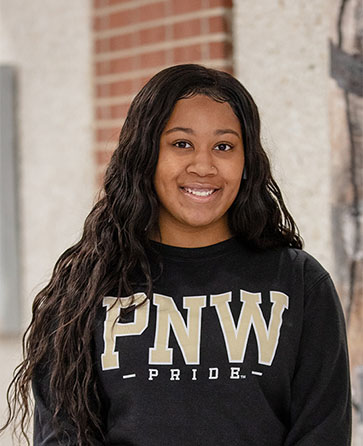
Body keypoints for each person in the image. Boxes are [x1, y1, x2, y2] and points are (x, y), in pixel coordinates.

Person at [1, 64, 351, 445]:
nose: (203, 166)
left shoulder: (299, 283)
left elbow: (323, 432)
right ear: (146, 154)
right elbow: (61, 435)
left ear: (247, 162)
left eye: (224, 146)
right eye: (181, 143)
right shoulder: (86, 286)